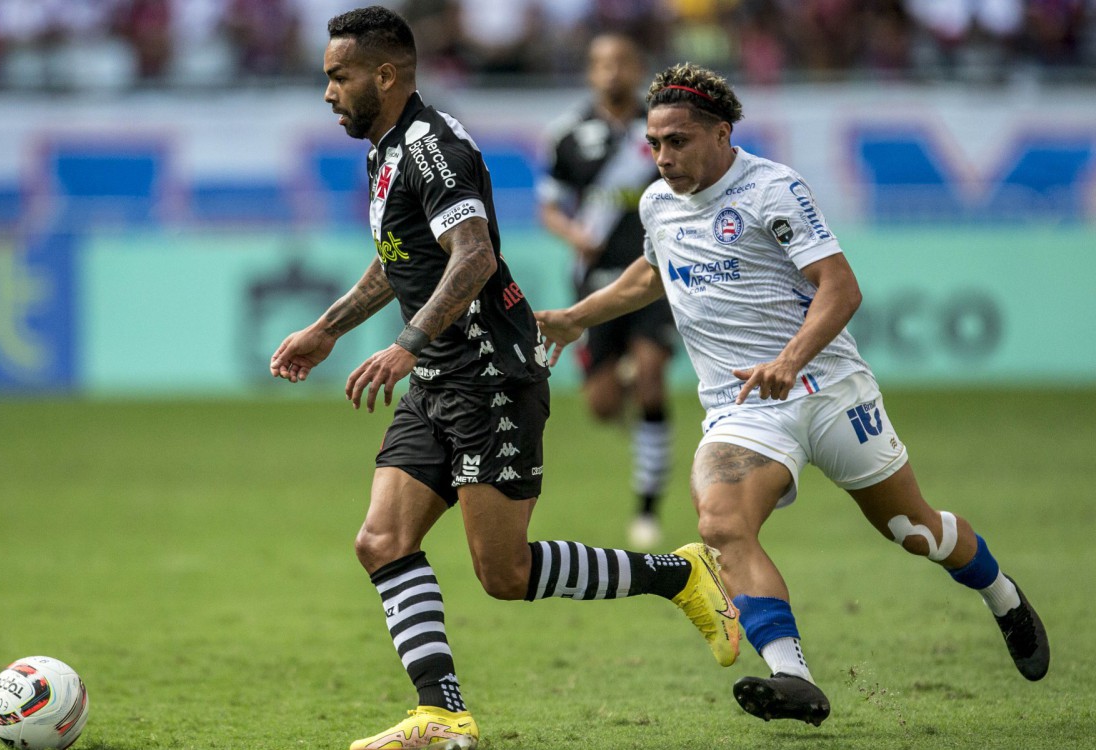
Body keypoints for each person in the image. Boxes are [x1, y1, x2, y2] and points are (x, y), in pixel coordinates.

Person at [269, 9, 740, 749]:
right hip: (440, 374)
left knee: (506, 572)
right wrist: (329, 328)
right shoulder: (386, 150)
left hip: (490, 371)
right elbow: (402, 258)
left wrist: (406, 343)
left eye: (339, 76)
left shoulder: (436, 148)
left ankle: (677, 576)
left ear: (385, 75)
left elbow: (474, 256)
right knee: (381, 539)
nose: (328, 92)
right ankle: (443, 714)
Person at [535, 62, 1050, 727]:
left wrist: (788, 358)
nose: (664, 158)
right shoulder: (658, 203)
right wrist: (577, 316)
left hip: (829, 389)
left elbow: (841, 288)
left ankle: (1003, 595)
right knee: (721, 525)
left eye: (679, 142)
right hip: (742, 410)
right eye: (655, 144)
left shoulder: (773, 189)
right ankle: (792, 676)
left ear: (722, 133)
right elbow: (651, 270)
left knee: (912, 530)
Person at [537, 32, 675, 550]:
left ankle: (646, 509)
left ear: (639, 66)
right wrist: (574, 233)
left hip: (654, 272)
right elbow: (549, 205)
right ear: (590, 72)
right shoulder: (567, 134)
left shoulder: (663, 127)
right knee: (600, 406)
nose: (612, 70)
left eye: (622, 61)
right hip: (594, 281)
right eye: (601, 63)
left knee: (653, 372)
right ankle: (620, 376)